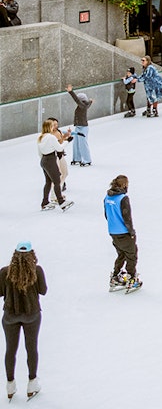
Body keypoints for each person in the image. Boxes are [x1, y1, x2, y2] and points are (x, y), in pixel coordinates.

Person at [2, 242, 46, 402]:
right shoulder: (37, 271)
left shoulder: (5, 272)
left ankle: (10, 384)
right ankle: (32, 383)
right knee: (31, 348)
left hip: (10, 316)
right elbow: (43, 290)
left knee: (10, 350)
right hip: (32, 315)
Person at [104, 175, 140, 291]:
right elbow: (127, 217)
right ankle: (131, 278)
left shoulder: (107, 197)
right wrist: (131, 232)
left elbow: (106, 214)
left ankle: (115, 276)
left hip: (113, 231)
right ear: (124, 185)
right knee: (132, 254)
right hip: (124, 232)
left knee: (121, 254)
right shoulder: (123, 198)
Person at [36, 120, 70, 212]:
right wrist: (67, 141)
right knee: (57, 181)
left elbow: (39, 152)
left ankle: (45, 202)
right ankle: (61, 201)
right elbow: (59, 148)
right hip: (50, 160)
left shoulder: (40, 137)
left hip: (44, 160)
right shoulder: (51, 137)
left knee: (48, 182)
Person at [65, 84, 93, 166]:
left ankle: (87, 160)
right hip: (78, 127)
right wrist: (90, 101)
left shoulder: (82, 106)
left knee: (83, 144)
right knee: (76, 143)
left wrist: (71, 92)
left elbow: (76, 100)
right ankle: (77, 158)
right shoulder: (84, 105)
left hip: (83, 127)